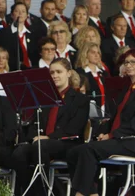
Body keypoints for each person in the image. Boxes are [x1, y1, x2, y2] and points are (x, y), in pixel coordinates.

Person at [66, 48, 135, 196]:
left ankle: (81, 194)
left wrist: (112, 135)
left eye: (133, 62)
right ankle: (91, 193)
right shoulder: (128, 88)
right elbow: (116, 117)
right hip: (121, 139)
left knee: (88, 150)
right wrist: (105, 132)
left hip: (134, 143)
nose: (128, 65)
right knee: (73, 152)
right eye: (126, 62)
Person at [12, 58, 90, 194]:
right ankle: (34, 192)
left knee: (40, 146)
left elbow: (74, 129)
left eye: (59, 72)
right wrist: (33, 137)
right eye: (52, 72)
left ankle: (47, 191)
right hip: (43, 143)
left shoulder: (80, 99)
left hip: (68, 143)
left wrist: (48, 137)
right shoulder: (44, 97)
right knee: (19, 152)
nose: (54, 76)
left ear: (69, 73)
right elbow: (34, 124)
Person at [0, 2, 34, 69]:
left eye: (23, 11)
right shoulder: (4, 33)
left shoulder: (32, 33)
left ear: (27, 15)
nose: (20, 13)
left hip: (31, 70)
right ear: (12, 15)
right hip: (11, 70)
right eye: (17, 11)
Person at [75, 42, 109, 116]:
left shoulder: (104, 73)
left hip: (106, 113)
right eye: (93, 52)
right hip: (88, 113)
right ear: (85, 54)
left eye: (98, 53)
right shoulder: (80, 73)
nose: (97, 55)